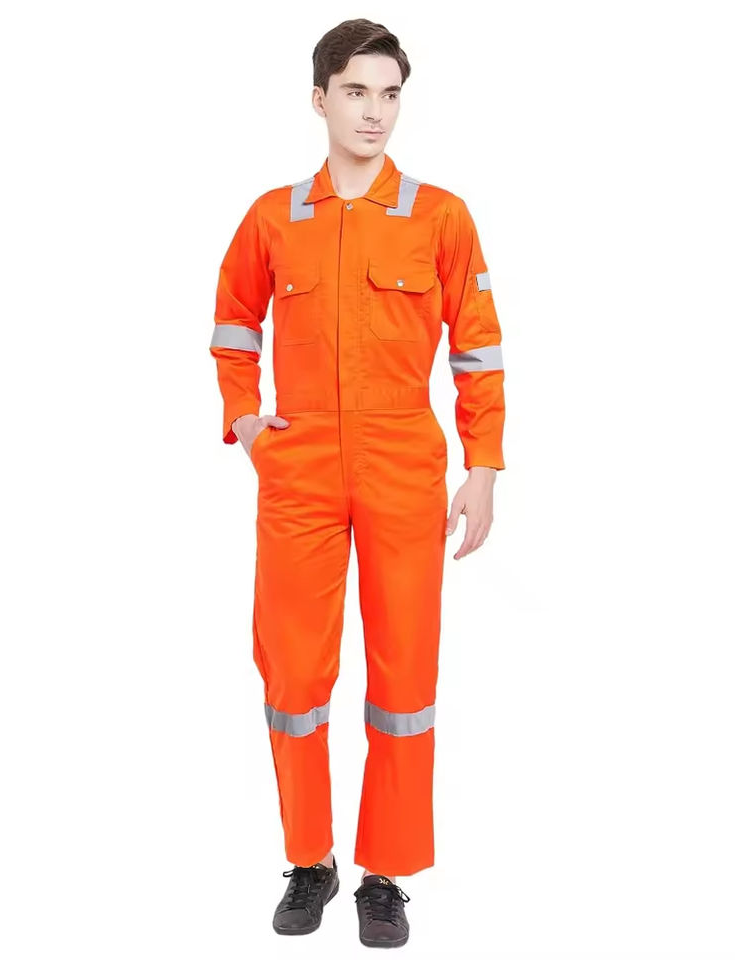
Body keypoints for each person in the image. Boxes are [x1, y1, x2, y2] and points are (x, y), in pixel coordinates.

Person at [209, 18, 505, 949]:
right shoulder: (272, 217)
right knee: (294, 675)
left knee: (404, 675)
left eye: (390, 94)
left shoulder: (440, 215)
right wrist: (245, 419)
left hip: (403, 462)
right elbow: (233, 324)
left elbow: (478, 348)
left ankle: (385, 874)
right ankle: (310, 860)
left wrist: (484, 464)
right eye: (356, 92)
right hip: (298, 466)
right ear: (320, 99)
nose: (375, 112)